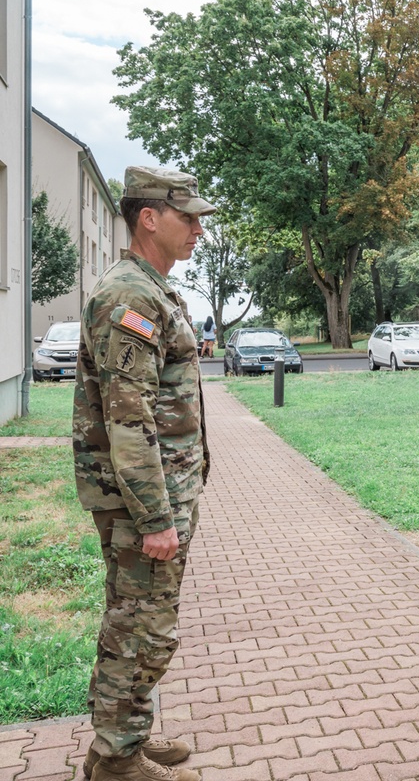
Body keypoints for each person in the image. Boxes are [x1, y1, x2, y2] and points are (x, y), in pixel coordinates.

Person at [73, 166, 216, 781]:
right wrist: (155, 517)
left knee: (140, 617)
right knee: (141, 628)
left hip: (164, 490)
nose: (199, 231)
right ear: (149, 218)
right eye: (189, 218)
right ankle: (115, 762)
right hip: (143, 502)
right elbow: (128, 421)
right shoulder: (130, 296)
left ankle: (127, 735)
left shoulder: (152, 288)